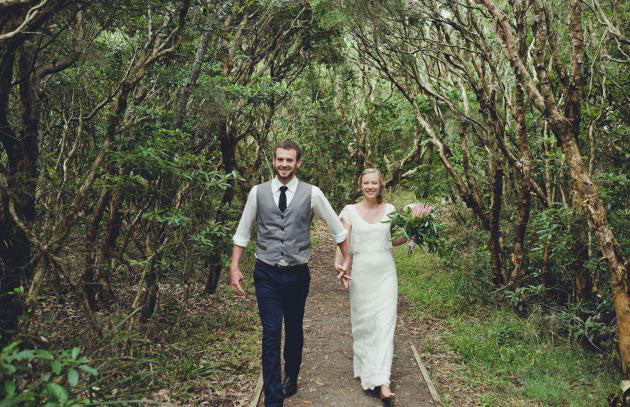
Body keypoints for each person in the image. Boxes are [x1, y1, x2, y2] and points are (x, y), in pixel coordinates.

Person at [230, 139, 351, 407]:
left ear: (298, 163)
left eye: (289, 160)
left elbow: (338, 230)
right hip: (266, 273)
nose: (284, 164)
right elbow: (242, 232)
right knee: (271, 332)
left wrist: (347, 259)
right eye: (280, 159)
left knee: (294, 328)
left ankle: (292, 375)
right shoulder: (257, 192)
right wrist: (234, 266)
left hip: (297, 274)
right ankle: (273, 398)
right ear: (273, 161)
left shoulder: (312, 193)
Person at [334, 168, 407, 401]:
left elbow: (393, 239)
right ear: (360, 185)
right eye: (366, 183)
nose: (370, 187)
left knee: (385, 324)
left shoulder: (391, 211)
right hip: (361, 274)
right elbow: (341, 242)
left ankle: (383, 381)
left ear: (381, 185)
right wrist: (341, 266)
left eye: (374, 183)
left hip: (385, 272)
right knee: (364, 325)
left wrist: (412, 232)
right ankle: (367, 371)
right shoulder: (349, 211)